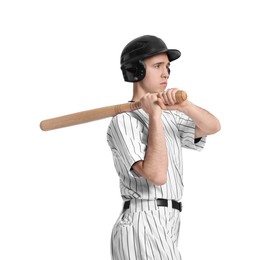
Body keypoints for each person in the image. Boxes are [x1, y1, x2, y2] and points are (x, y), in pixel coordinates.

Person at [107, 35, 221, 260]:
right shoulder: (124, 121)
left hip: (169, 219)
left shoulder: (170, 116)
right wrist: (155, 115)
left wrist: (185, 106)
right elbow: (157, 175)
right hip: (143, 218)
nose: (166, 73)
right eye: (157, 66)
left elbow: (212, 126)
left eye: (167, 67)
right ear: (136, 71)